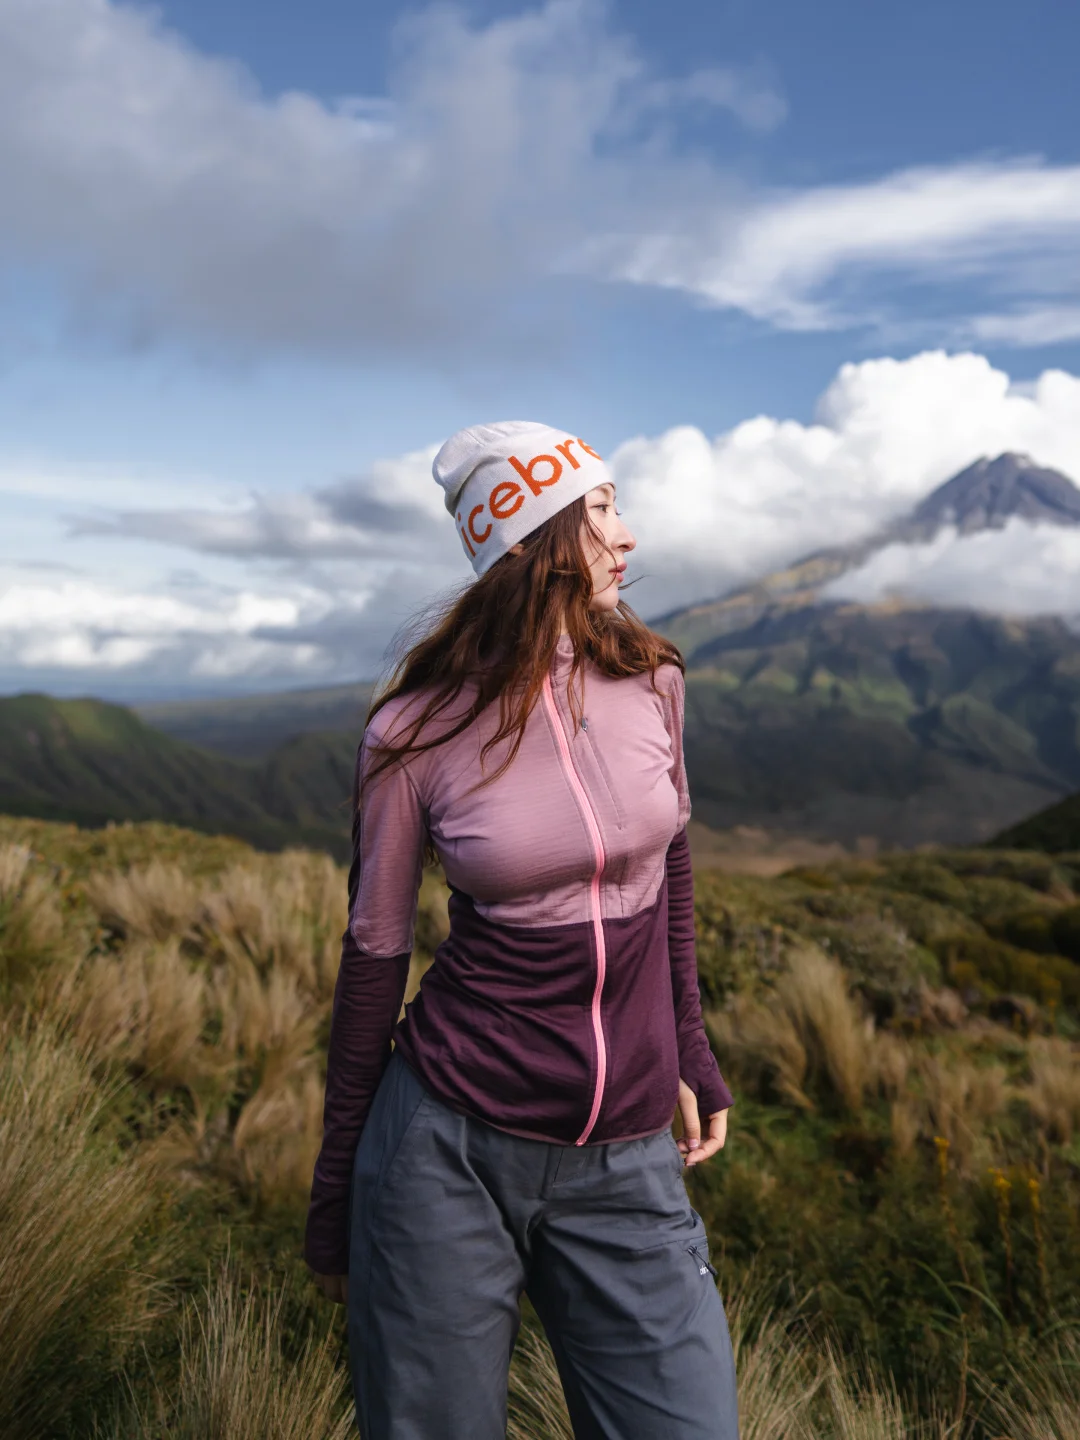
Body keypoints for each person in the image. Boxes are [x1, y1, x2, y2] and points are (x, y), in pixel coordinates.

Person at [305, 421, 739, 1440]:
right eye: (600, 512)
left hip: (628, 1154)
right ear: (529, 538)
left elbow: (670, 865)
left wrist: (688, 1047)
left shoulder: (654, 682)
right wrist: (336, 1195)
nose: (627, 535)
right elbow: (374, 956)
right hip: (444, 1148)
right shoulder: (413, 733)